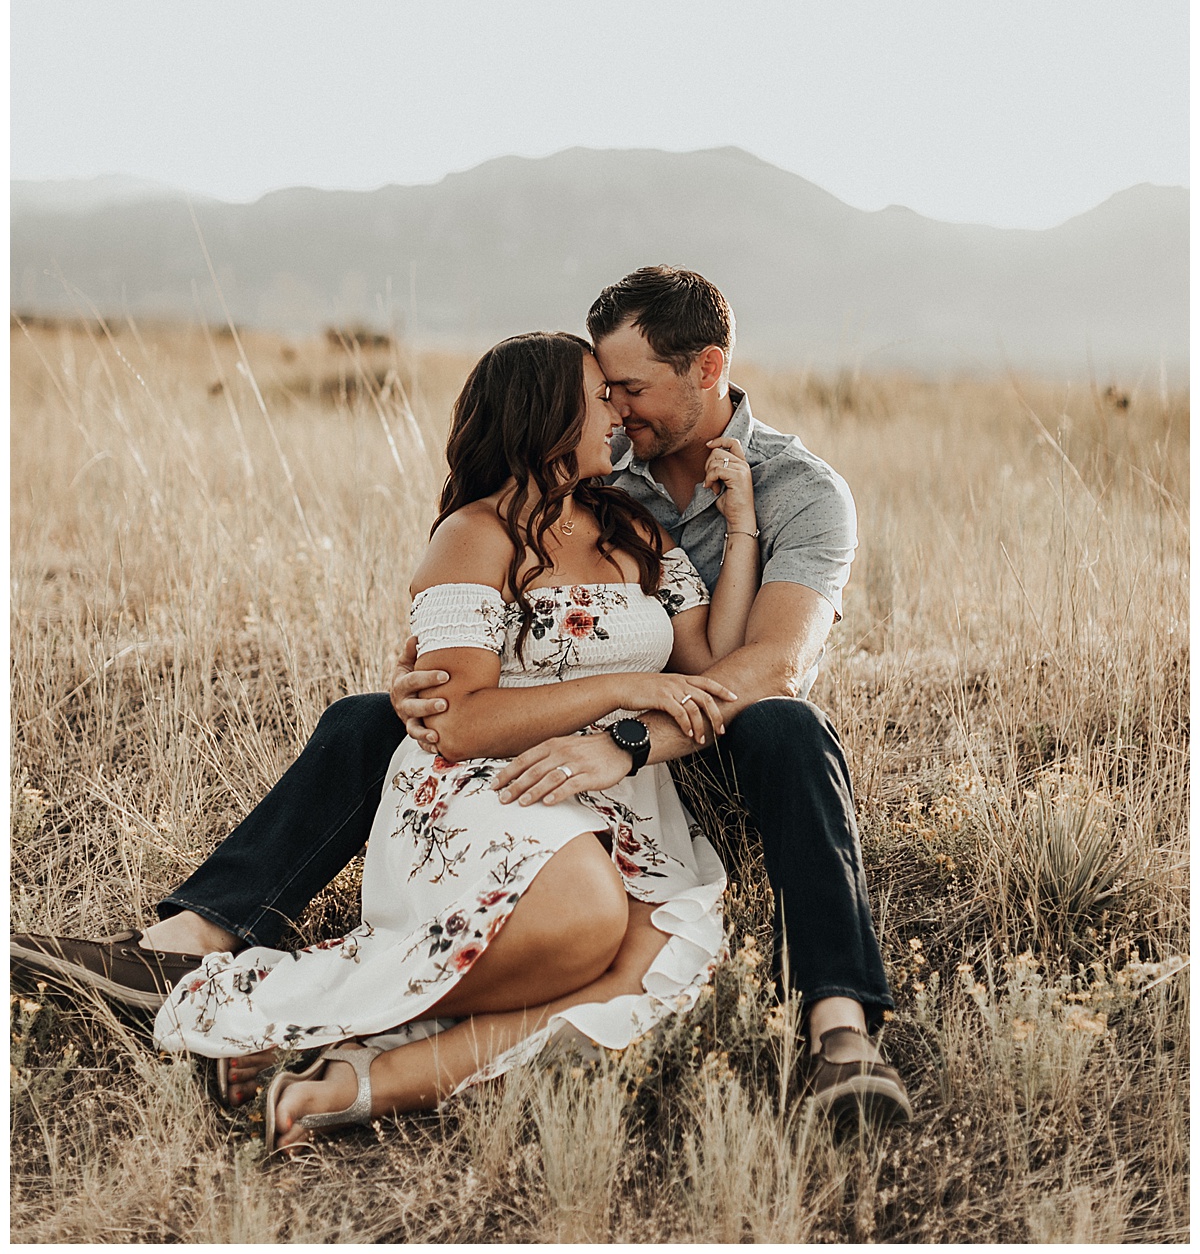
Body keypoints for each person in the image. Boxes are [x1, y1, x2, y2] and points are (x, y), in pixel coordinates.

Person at [12, 267, 911, 1129]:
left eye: (627, 388)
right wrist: (427, 679)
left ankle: (840, 1030)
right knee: (370, 717)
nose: (618, 408)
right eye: (603, 392)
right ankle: (189, 944)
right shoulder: (605, 480)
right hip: (557, 746)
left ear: (706, 369)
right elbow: (479, 638)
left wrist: (637, 721)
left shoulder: (800, 492)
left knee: (787, 733)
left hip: (710, 747)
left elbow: (760, 666)